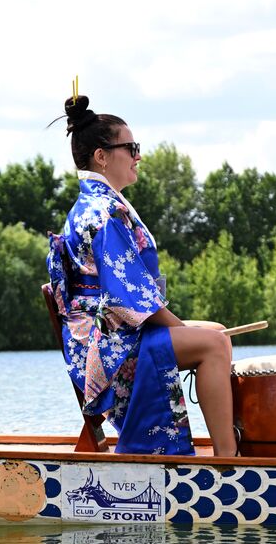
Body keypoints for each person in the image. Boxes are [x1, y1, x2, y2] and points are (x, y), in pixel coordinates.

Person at [45, 94, 237, 456]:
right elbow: (130, 299)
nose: (138, 156)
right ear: (101, 156)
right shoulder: (103, 212)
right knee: (214, 345)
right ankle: (229, 462)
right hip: (109, 348)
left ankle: (229, 447)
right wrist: (181, 329)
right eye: (131, 148)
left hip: (112, 335)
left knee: (214, 333)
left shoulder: (97, 203)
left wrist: (184, 329)